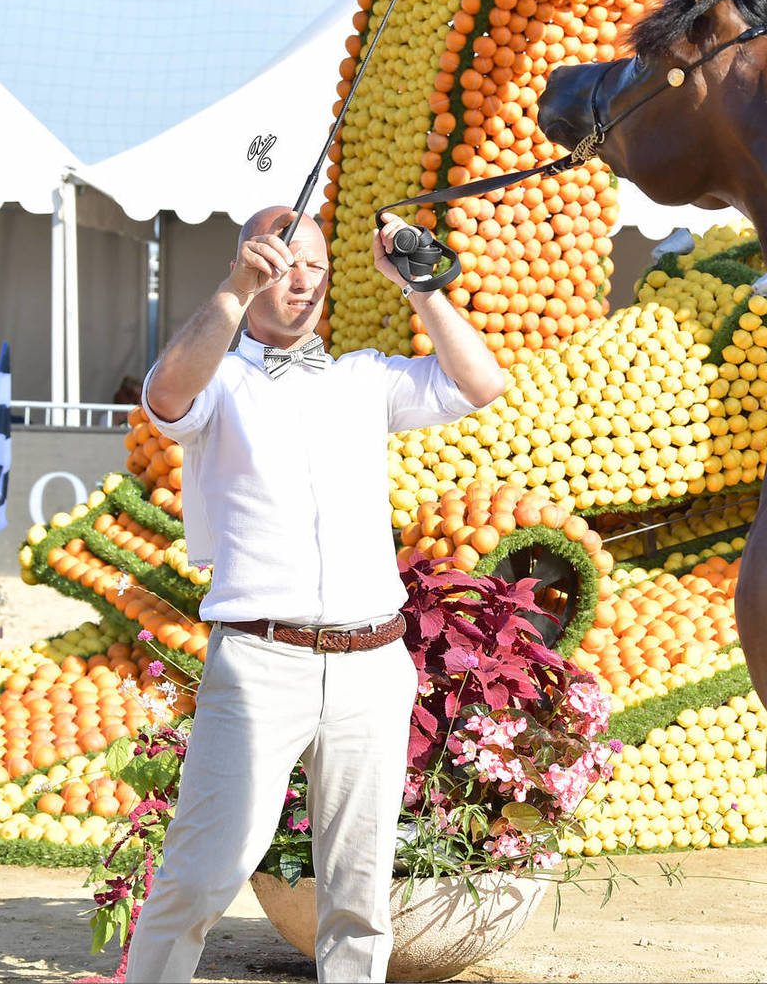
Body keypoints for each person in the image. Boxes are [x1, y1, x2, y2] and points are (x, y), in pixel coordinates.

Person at [124, 207, 505, 983]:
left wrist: (420, 286)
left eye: (315, 267)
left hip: (372, 660)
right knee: (202, 872)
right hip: (261, 660)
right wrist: (231, 295)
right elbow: (164, 398)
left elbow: (482, 382)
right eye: (281, 263)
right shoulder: (221, 378)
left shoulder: (364, 377)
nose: (300, 281)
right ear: (250, 263)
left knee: (361, 892)